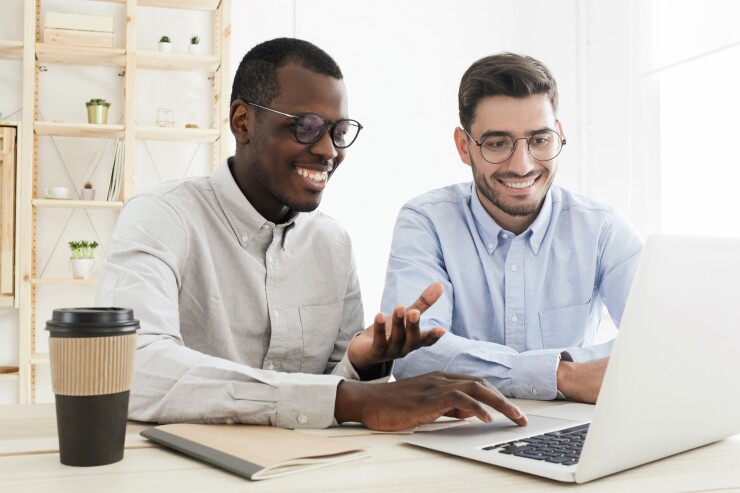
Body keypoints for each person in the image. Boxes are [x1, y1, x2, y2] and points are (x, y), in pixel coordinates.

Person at [95, 38, 526, 431]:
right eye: (305, 126)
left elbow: (328, 396)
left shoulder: (332, 244)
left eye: (338, 132)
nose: (328, 151)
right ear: (243, 123)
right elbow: (132, 365)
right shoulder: (161, 216)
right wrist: (351, 397)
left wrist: (362, 364)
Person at [381, 52, 642, 404]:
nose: (522, 166)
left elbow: (656, 346)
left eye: (539, 140)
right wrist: (564, 375)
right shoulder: (426, 222)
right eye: (497, 143)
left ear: (560, 136)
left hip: (574, 431)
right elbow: (414, 355)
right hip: (460, 433)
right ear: (463, 146)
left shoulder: (604, 230)